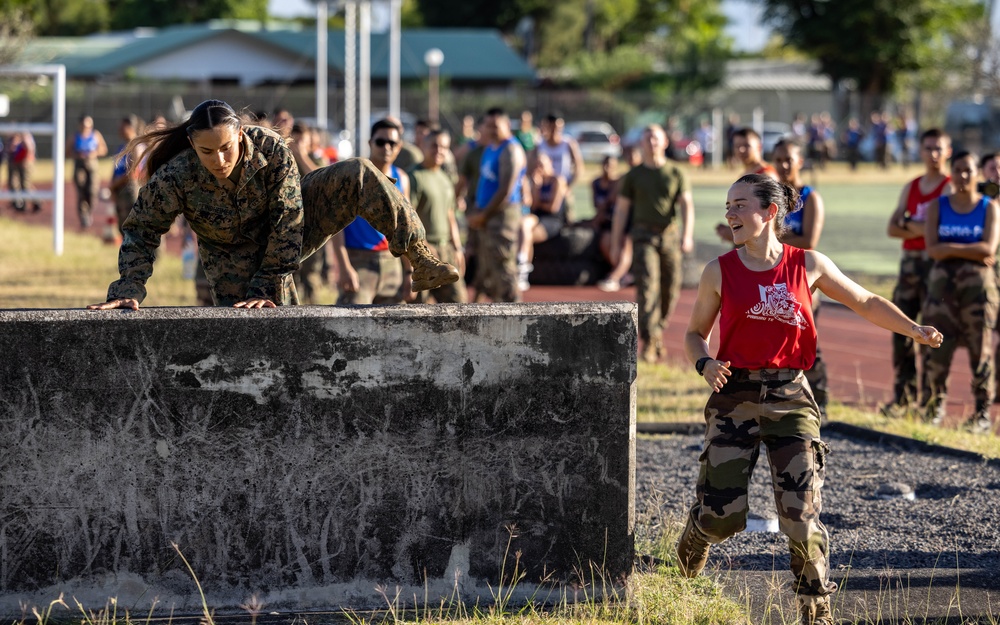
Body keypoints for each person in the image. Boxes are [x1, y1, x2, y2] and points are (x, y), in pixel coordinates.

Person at [678, 173, 944, 625]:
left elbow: (865, 300)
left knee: (801, 517)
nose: (730, 214)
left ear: (770, 212)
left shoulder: (809, 264)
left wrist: (914, 329)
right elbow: (693, 335)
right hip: (734, 397)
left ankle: (815, 612)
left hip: (792, 398)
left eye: (740, 205)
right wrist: (704, 364)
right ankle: (696, 534)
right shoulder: (718, 270)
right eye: (728, 205)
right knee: (722, 519)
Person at [86, 99, 457, 310]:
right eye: (206, 151)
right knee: (257, 328)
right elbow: (142, 229)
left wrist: (268, 282)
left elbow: (289, 217)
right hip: (230, 252)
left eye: (226, 148)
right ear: (191, 145)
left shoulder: (270, 148)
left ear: (241, 135)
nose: (218, 159)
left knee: (358, 172)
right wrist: (128, 288)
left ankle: (420, 255)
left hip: (289, 225)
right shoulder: (176, 175)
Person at [920, 151, 998, 432]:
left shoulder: (989, 208)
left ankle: (981, 414)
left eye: (969, 170)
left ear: (978, 173)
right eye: (958, 170)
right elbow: (932, 248)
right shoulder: (938, 207)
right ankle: (934, 407)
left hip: (979, 295)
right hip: (942, 293)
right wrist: (971, 251)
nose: (963, 175)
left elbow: (989, 249)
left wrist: (949, 248)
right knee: (938, 350)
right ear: (951, 173)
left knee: (981, 353)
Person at [609, 124, 694, 363]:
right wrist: (616, 242)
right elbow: (622, 210)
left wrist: (687, 236)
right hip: (642, 236)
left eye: (656, 138)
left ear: (665, 142)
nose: (651, 143)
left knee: (671, 287)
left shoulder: (676, 172)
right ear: (641, 144)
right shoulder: (634, 175)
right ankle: (649, 340)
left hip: (669, 236)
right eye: (647, 139)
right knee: (647, 286)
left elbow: (686, 204)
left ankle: (657, 330)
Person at [882, 128, 952, 415]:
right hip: (909, 265)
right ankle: (903, 397)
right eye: (928, 148)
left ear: (947, 151)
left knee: (932, 334)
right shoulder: (912, 186)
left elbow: (937, 230)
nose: (933, 154)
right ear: (920, 151)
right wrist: (920, 227)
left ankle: (932, 401)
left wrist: (911, 225)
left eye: (939, 148)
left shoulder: (949, 187)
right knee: (901, 330)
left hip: (935, 269)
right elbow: (891, 227)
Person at [772, 139, 830, 417]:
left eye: (788, 159)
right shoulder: (771, 197)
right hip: (772, 277)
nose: (783, 165)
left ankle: (820, 399)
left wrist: (771, 237)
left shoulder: (810, 198)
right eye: (778, 159)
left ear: (800, 161)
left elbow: (808, 239)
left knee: (807, 339)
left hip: (801, 278)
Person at [331, 118, 410, 306]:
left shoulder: (402, 178)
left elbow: (405, 227)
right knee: (350, 325)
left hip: (392, 262)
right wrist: (344, 267)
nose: (386, 148)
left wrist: (408, 271)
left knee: (395, 327)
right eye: (381, 142)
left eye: (392, 143)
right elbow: (336, 227)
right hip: (359, 261)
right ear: (370, 143)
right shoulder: (353, 176)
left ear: (399, 146)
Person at [466, 107, 527, 303]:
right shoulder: (490, 148)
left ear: (507, 125)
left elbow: (505, 191)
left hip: (501, 216)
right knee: (485, 264)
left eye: (496, 126)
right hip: (485, 214)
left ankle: (513, 308)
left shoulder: (511, 149)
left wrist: (484, 214)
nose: (492, 130)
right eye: (489, 125)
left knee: (502, 263)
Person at [409, 128, 468, 304]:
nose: (439, 150)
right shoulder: (414, 177)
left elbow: (450, 214)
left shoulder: (446, 178)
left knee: (459, 304)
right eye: (434, 145)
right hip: (424, 253)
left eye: (444, 147)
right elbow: (409, 218)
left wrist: (457, 248)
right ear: (423, 146)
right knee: (420, 309)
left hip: (446, 250)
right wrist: (424, 247)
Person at [289, 121, 332, 304]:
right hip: (291, 228)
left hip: (312, 226)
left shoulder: (316, 160)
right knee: (292, 277)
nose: (298, 146)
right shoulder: (286, 162)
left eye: (302, 141)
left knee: (312, 277)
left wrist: (302, 156)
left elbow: (320, 179)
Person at [520, 152, 568, 284]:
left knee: (526, 232)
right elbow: (533, 206)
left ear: (550, 164)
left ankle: (523, 271)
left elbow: (552, 208)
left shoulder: (557, 180)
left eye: (541, 164)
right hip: (538, 217)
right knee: (524, 228)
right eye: (536, 165)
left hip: (553, 220)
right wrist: (535, 187)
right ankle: (522, 269)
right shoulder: (536, 182)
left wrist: (540, 201)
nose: (539, 168)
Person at [586, 155, 632, 292]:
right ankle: (624, 273)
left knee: (625, 245)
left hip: (624, 221)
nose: (608, 169)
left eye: (611, 166)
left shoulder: (620, 183)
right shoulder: (596, 183)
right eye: (606, 165)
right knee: (606, 243)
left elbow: (616, 204)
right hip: (607, 222)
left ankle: (614, 277)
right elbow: (597, 205)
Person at [534, 112, 584, 222]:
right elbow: (531, 167)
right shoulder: (540, 145)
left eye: (557, 127)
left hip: (563, 188)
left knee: (568, 220)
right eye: (551, 127)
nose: (555, 130)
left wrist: (568, 187)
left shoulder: (568, 143)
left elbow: (579, 168)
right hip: (544, 189)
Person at [70, 114, 108, 228]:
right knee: (81, 190)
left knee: (92, 191)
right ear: (80, 125)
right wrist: (77, 154)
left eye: (88, 125)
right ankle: (83, 216)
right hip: (79, 165)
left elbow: (104, 149)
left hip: (92, 165)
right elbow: (67, 151)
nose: (86, 128)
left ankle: (89, 211)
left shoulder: (95, 135)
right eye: (84, 125)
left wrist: (94, 153)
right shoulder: (74, 137)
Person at [109, 116, 143, 234]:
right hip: (120, 191)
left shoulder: (135, 147)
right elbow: (116, 169)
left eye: (122, 126)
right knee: (122, 228)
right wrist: (113, 188)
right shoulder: (122, 146)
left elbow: (132, 173)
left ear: (129, 127)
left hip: (129, 191)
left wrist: (113, 186)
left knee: (132, 228)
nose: (119, 129)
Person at [6, 130, 39, 214]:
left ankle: (37, 202)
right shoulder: (15, 139)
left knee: (25, 185)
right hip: (18, 163)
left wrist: (26, 160)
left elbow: (29, 150)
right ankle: (22, 204)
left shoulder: (25, 138)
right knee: (19, 184)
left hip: (24, 163)